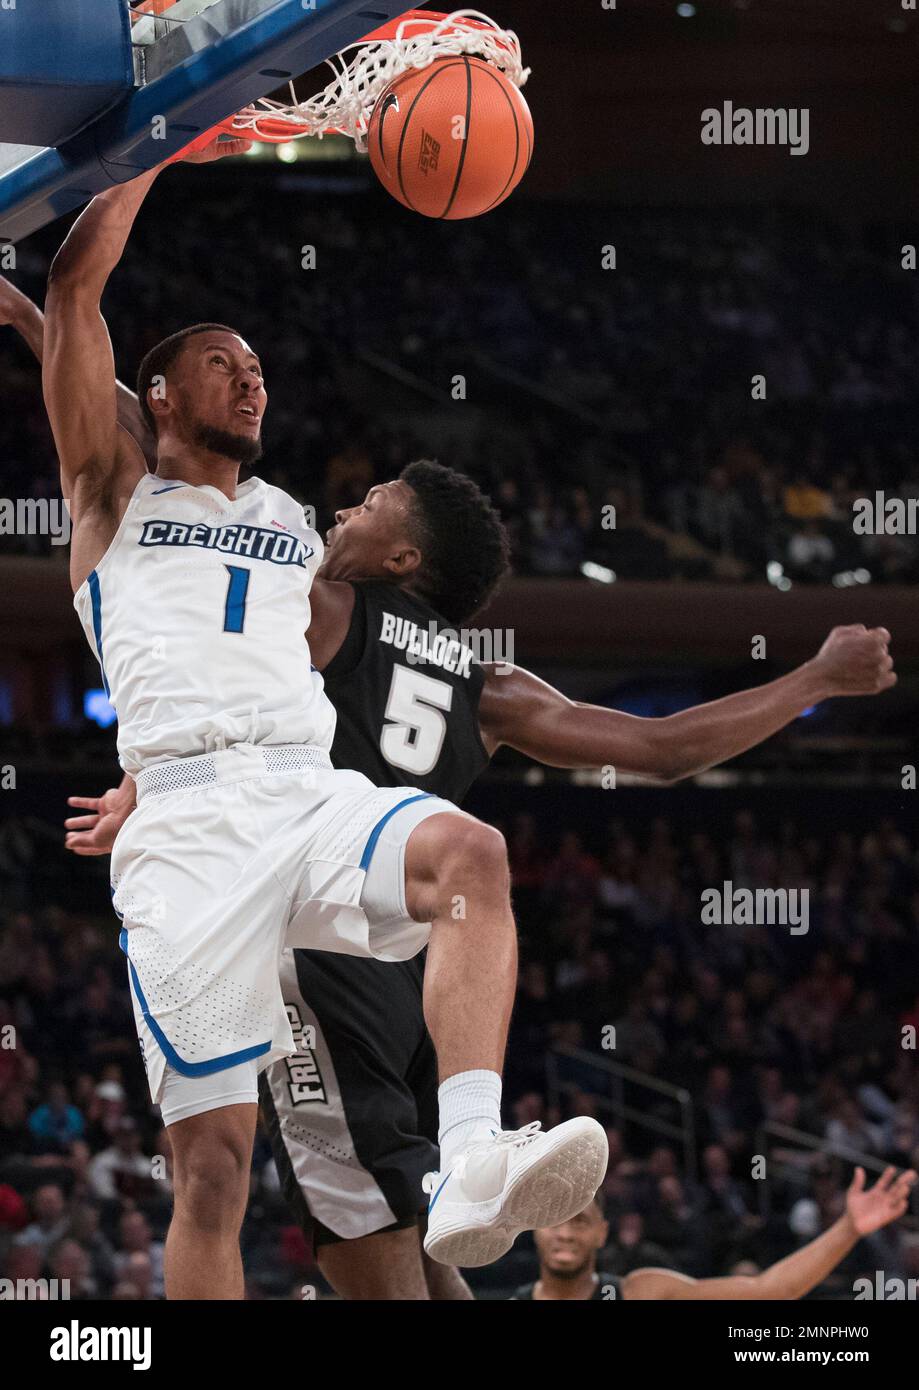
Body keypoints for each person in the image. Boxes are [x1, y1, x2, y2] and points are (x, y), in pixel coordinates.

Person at [4, 271, 898, 1297]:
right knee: (431, 1255)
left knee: (325, 1231)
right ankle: (476, 1143)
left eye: (371, 503)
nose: (344, 504)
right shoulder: (489, 685)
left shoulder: (322, 597)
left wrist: (153, 776)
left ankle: (467, 1162)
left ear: (401, 552)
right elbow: (664, 749)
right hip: (413, 966)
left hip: (304, 942)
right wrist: (814, 679)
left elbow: (160, 498)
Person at [35, 142, 608, 1297]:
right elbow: (70, 296)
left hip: (303, 789)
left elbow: (285, 659)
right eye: (219, 363)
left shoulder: (297, 521)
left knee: (472, 854)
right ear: (158, 396)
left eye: (257, 366)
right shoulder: (111, 494)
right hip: (190, 832)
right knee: (212, 1170)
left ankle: (473, 1163)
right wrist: (165, 138)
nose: (251, 379)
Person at [513, 1167, 917, 1300]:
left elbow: (766, 1291)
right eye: (554, 1220)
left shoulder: (641, 1292)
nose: (565, 1233)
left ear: (603, 1234)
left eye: (579, 1220)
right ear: (534, 1230)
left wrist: (848, 1229)